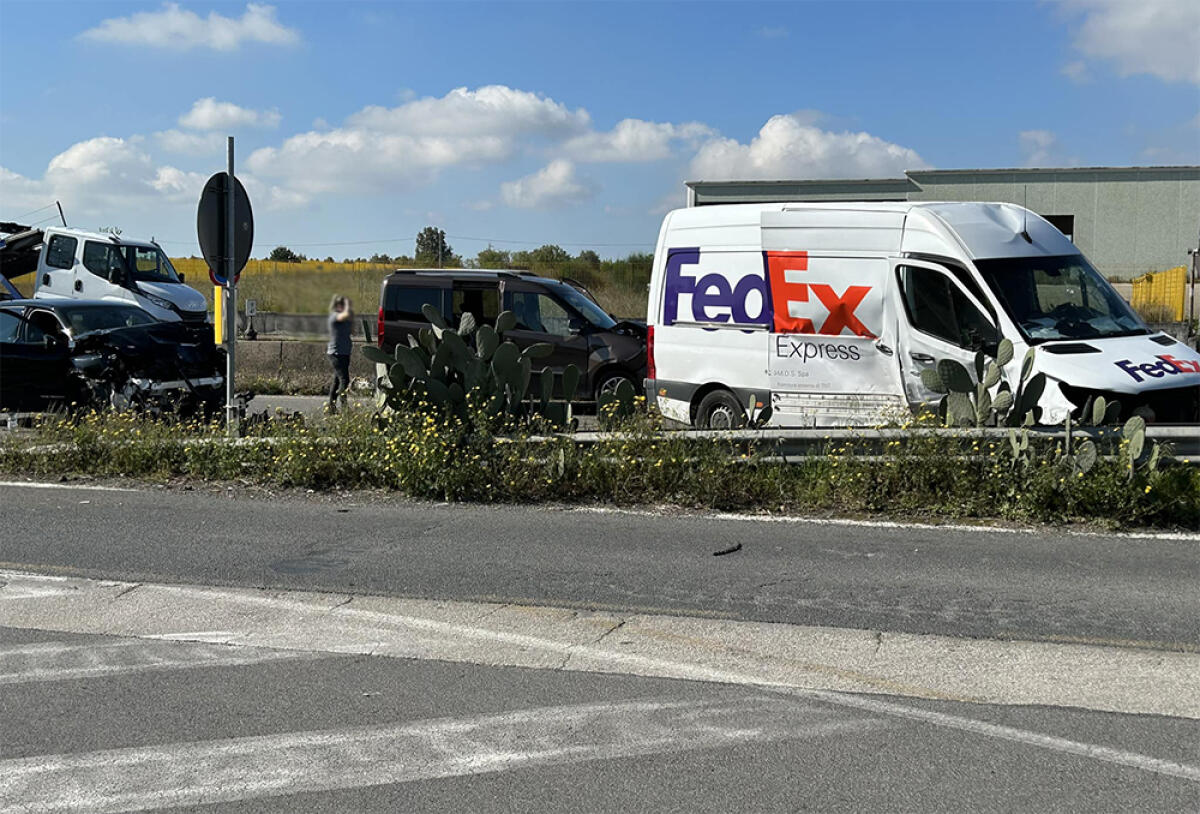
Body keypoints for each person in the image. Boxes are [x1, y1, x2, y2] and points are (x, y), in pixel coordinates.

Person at [327, 295, 353, 413]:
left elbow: (353, 329)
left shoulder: (344, 318)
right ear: (338, 306)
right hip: (336, 353)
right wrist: (348, 305)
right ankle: (344, 406)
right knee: (344, 380)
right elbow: (344, 315)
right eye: (342, 304)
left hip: (344, 352)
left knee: (337, 380)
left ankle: (330, 407)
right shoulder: (334, 316)